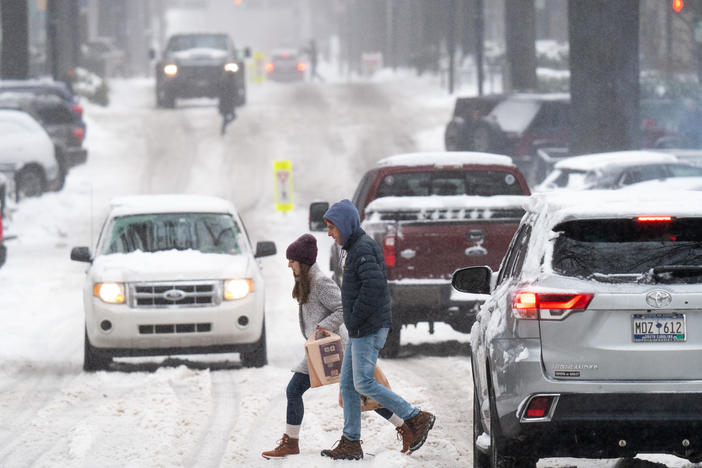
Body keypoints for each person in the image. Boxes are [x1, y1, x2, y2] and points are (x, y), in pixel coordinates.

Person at [261, 234, 410, 459]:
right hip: (319, 347)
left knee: (352, 391)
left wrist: (321, 327)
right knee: (358, 391)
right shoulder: (306, 282)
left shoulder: (320, 282)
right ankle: (404, 427)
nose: (289, 264)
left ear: (303, 261)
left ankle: (405, 425)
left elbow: (342, 308)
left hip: (333, 347)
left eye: (292, 260)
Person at [320, 200, 435, 460]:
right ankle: (351, 441)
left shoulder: (362, 250)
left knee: (363, 382)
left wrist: (356, 320)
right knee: (348, 385)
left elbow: (373, 289)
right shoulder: (354, 247)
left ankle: (416, 417)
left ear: (344, 225)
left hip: (367, 328)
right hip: (361, 327)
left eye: (331, 227)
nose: (329, 233)